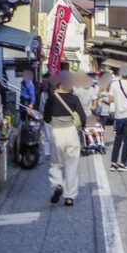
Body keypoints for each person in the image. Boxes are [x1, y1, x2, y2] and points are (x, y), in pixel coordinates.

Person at [44, 76, 86, 206]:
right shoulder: (74, 98)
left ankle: (58, 185)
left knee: (56, 164)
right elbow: (83, 117)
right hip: (71, 132)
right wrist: (80, 126)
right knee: (72, 165)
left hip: (57, 132)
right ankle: (69, 197)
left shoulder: (52, 99)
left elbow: (46, 118)